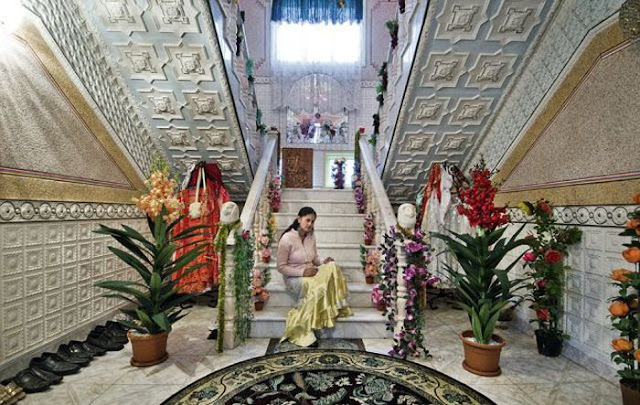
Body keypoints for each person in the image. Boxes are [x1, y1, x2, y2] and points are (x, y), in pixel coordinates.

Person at [276, 206, 353, 347]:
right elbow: (281, 267)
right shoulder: (286, 239)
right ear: (299, 219)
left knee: (332, 266)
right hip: (294, 278)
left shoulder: (311, 236)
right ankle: (303, 329)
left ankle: (335, 307)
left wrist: (324, 261)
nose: (310, 224)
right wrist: (303, 273)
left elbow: (315, 258)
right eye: (308, 220)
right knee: (317, 288)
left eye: (313, 221)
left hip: (312, 272)